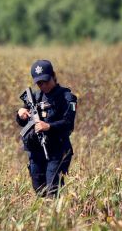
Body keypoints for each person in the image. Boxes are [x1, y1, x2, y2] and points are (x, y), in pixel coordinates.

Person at [16, 60, 77, 197]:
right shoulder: (35, 98)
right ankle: (44, 216)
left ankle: (56, 216)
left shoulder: (67, 97)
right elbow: (22, 122)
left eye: (45, 81)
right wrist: (21, 114)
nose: (43, 85)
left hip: (58, 150)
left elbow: (68, 124)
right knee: (39, 189)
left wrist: (48, 126)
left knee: (53, 190)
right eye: (39, 83)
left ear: (53, 76)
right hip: (37, 151)